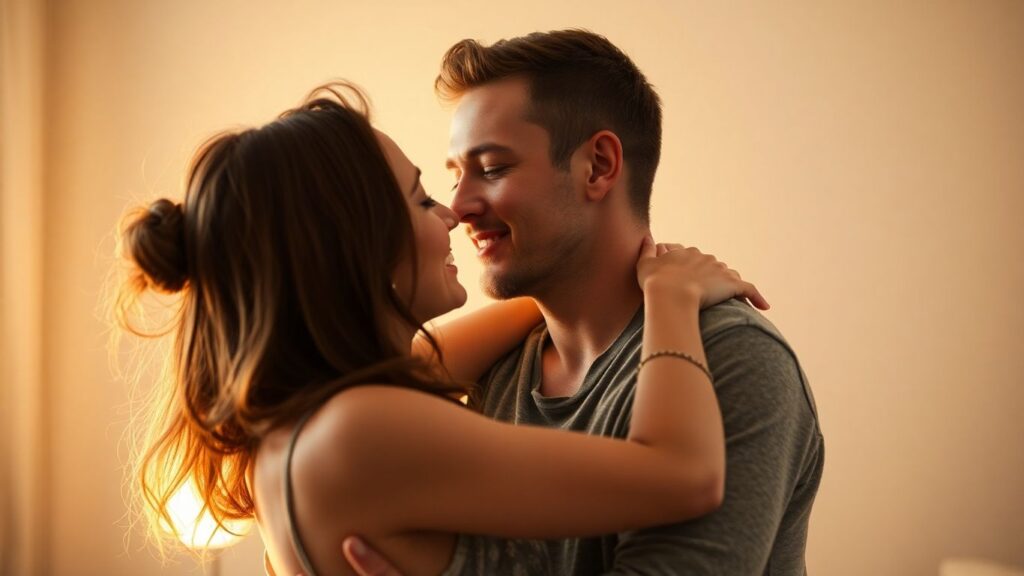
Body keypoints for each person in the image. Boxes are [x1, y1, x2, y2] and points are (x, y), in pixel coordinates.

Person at [114, 82, 768, 576]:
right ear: (356, 244)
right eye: (422, 197)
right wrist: (672, 296)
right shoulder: (360, 432)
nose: (451, 214)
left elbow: (429, 362)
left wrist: (567, 274)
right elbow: (683, 475)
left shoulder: (299, 431)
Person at [342, 30, 824, 575]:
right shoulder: (496, 366)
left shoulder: (732, 359)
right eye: (455, 175)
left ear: (597, 166)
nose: (458, 206)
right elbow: (377, 388)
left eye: (494, 168)